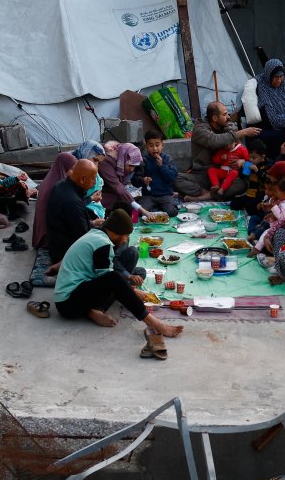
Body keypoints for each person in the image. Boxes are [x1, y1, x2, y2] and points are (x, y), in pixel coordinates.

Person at [54, 210, 183, 360]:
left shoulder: (96, 234)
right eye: (126, 236)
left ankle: (93, 310)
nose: (124, 241)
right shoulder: (102, 244)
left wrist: (129, 288)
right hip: (68, 303)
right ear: (119, 233)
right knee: (114, 278)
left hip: (77, 293)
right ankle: (154, 323)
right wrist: (133, 292)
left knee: (129, 274)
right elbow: (110, 280)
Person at [175, 101, 261, 201]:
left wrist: (243, 163)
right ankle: (206, 193)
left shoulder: (225, 127)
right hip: (203, 175)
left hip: (225, 175)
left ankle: (209, 196)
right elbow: (215, 140)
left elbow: (242, 151)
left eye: (228, 114)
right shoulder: (199, 129)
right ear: (215, 118)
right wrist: (242, 132)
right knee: (175, 179)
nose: (228, 117)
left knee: (243, 183)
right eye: (224, 114)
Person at [45, 159, 102, 264]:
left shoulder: (61, 185)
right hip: (65, 254)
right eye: (93, 178)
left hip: (56, 244)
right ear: (83, 179)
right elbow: (83, 237)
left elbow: (68, 223)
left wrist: (92, 223)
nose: (95, 182)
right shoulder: (73, 201)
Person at [255, 59, 285, 149]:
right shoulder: (262, 86)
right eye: (276, 77)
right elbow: (273, 119)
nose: (279, 80)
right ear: (269, 75)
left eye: (281, 76)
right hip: (273, 127)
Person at [32, 152, 77, 249]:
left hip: (44, 232)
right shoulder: (57, 186)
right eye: (72, 169)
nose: (74, 173)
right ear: (64, 167)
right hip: (48, 237)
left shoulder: (50, 180)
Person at [133, 130, 179, 217]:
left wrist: (162, 166)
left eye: (157, 145)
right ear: (146, 146)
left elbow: (172, 178)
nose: (154, 148)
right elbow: (135, 180)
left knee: (172, 212)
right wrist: (143, 180)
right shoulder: (144, 160)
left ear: (162, 145)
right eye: (151, 145)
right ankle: (140, 200)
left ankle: (166, 203)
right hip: (149, 195)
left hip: (165, 194)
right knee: (137, 212)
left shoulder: (167, 159)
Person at [252, 178, 285, 257]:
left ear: (284, 193)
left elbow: (282, 218)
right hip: (280, 227)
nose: (275, 194)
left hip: (282, 229)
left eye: (277, 192)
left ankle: (256, 250)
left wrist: (274, 207)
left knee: (265, 234)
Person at [99, 141, 147, 215]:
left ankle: (135, 225)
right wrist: (143, 210)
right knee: (134, 207)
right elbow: (117, 186)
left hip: (117, 198)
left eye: (134, 166)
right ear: (123, 158)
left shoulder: (121, 162)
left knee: (135, 209)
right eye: (130, 165)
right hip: (103, 202)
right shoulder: (106, 162)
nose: (132, 169)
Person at [230, 139, 268, 219]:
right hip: (249, 195)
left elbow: (267, 179)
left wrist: (257, 170)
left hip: (259, 196)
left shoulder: (267, 165)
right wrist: (242, 169)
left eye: (253, 158)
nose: (251, 160)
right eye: (249, 157)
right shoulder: (250, 164)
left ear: (262, 157)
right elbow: (243, 176)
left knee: (253, 209)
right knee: (234, 204)